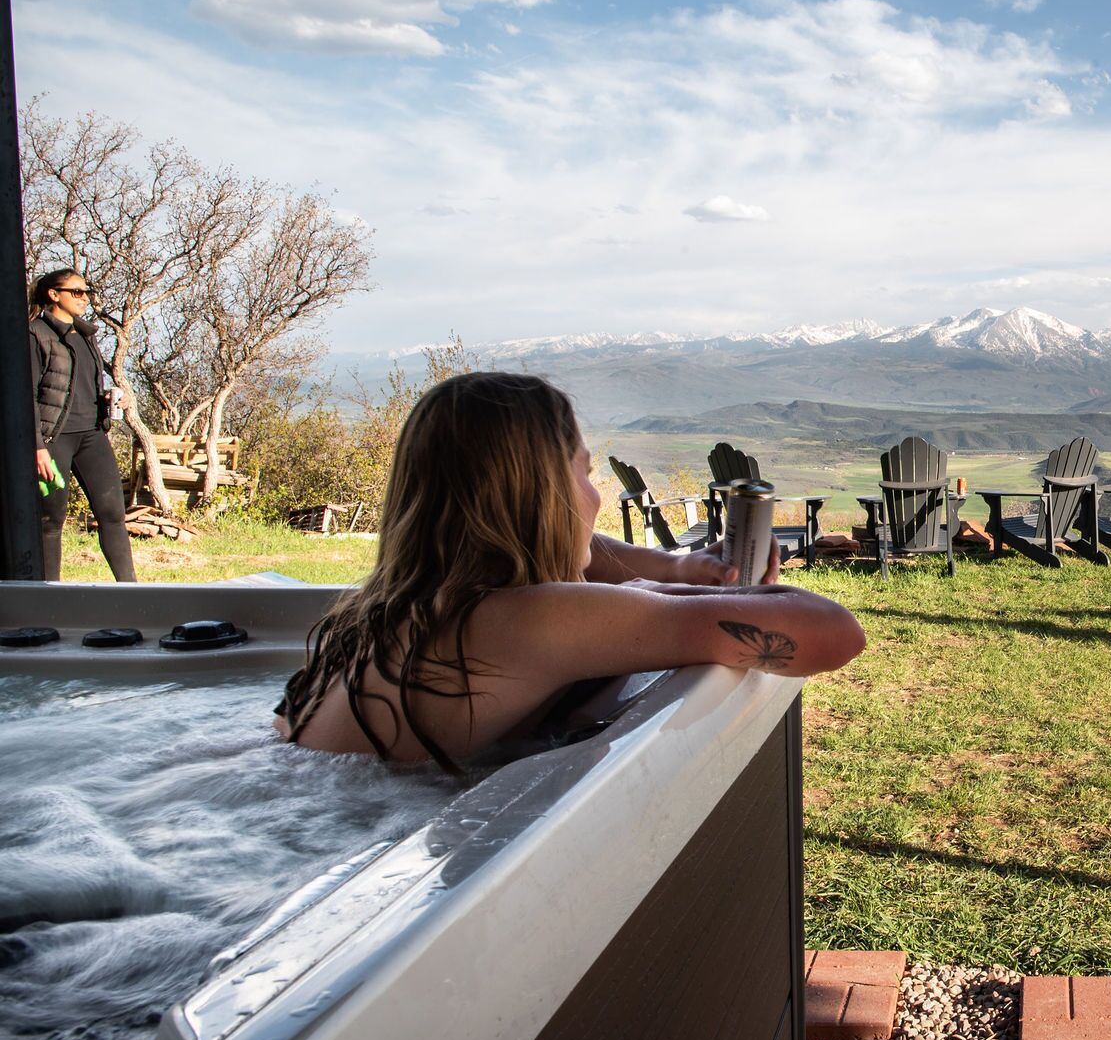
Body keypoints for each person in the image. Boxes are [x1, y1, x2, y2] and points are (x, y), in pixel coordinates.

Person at [275, 371, 865, 771]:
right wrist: (658, 588)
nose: (595, 496)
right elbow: (833, 633)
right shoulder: (530, 619)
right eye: (583, 474)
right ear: (544, 498)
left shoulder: (382, 613)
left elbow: (585, 556)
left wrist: (676, 566)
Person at [27, 268, 137, 582]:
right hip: (52, 440)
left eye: (87, 291)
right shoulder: (35, 333)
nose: (84, 298)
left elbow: (77, 386)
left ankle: (131, 591)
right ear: (53, 294)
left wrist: (112, 399)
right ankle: (48, 595)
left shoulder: (84, 334)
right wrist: (36, 447)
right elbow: (27, 395)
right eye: (77, 292)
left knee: (113, 514)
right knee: (50, 520)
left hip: (91, 435)